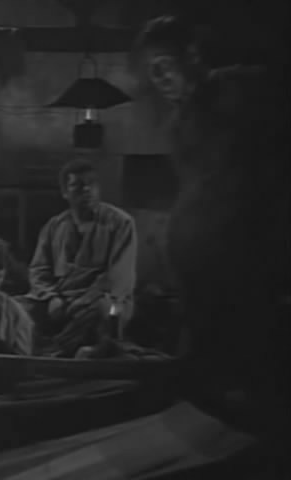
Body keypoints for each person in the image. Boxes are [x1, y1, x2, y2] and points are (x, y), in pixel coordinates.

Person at [133, 14, 289, 460]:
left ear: (192, 56)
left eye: (166, 65)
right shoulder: (178, 124)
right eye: (153, 72)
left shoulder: (243, 91)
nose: (161, 79)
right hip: (203, 268)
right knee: (209, 370)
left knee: (257, 361)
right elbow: (196, 189)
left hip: (252, 253)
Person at [20, 160, 138, 357]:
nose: (86, 190)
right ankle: (26, 349)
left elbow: (118, 276)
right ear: (65, 192)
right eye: (78, 185)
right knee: (18, 308)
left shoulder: (120, 222)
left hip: (101, 298)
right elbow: (39, 270)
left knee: (103, 311)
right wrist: (51, 297)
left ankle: (54, 351)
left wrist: (83, 301)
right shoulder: (54, 226)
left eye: (91, 184)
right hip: (60, 298)